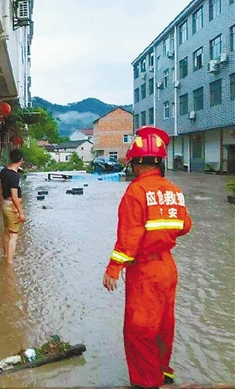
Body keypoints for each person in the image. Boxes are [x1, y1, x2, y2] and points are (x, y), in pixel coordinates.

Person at [102, 126, 192, 389]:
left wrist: (114, 267)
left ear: (136, 163)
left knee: (139, 330)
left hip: (145, 270)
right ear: (159, 161)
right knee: (165, 324)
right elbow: (185, 226)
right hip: (168, 267)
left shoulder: (136, 192)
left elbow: (130, 236)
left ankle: (147, 382)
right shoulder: (174, 191)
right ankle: (164, 372)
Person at [0, 149, 25, 264]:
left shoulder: (3, 171)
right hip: (12, 206)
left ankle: (5, 255)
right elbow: (14, 196)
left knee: (6, 231)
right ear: (21, 160)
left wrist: (0, 200)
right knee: (13, 235)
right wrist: (21, 212)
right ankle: (9, 262)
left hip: (4, 202)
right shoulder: (14, 176)